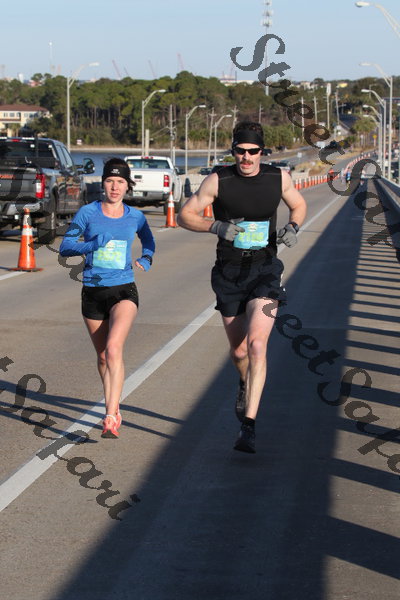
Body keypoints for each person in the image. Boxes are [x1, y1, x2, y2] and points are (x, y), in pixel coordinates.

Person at [177, 122, 306, 453]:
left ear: (262, 152)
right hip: (229, 274)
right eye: (240, 151)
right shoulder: (218, 180)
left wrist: (293, 226)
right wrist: (216, 226)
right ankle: (244, 381)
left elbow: (298, 205)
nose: (246, 158)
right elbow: (185, 215)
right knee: (238, 351)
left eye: (253, 151)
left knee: (257, 344)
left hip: (266, 271)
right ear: (233, 151)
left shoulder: (279, 178)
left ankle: (248, 426)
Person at [59, 158, 155, 439]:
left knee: (113, 349)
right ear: (103, 184)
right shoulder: (87, 213)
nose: (114, 187)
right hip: (92, 291)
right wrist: (91, 245)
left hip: (124, 290)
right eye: (110, 181)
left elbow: (148, 240)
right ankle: (113, 404)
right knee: (102, 357)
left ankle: (111, 415)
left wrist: (147, 258)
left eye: (120, 182)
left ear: (127, 186)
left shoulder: (135, 216)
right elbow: (66, 246)